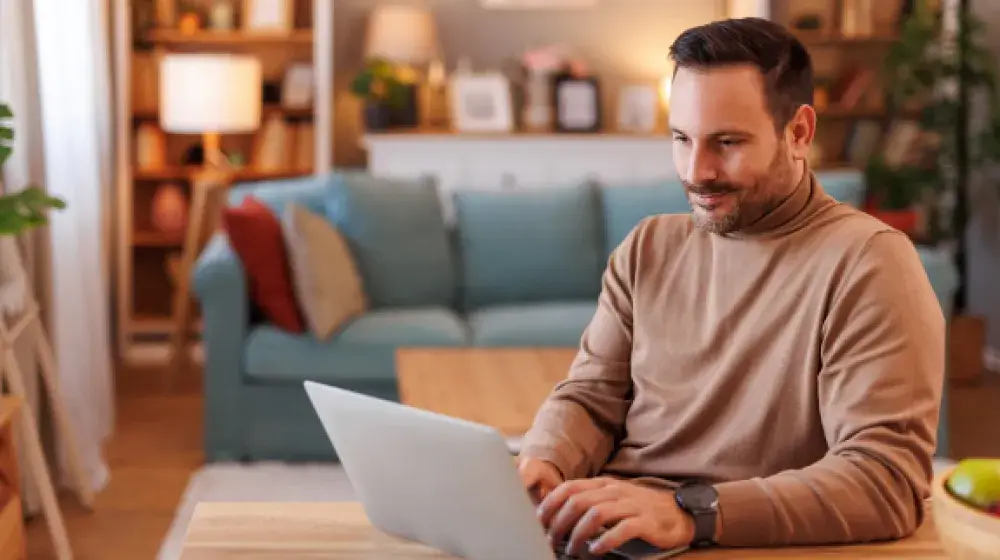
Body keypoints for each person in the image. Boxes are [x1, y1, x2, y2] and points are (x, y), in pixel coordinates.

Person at [515, 17, 946, 558]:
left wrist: (691, 513)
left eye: (726, 142)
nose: (697, 171)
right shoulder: (647, 248)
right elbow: (592, 397)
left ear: (799, 133)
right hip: (615, 530)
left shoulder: (869, 263)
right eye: (681, 139)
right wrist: (543, 463)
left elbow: (887, 482)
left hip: (726, 541)